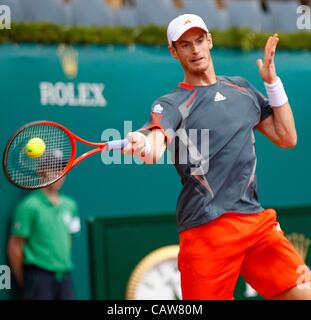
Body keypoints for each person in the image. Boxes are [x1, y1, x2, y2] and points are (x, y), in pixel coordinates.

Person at [123, 14, 311, 300]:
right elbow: (156, 146)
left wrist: (272, 84)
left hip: (255, 222)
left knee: (304, 292)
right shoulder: (171, 103)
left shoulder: (242, 89)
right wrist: (144, 143)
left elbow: (287, 137)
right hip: (207, 230)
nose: (195, 50)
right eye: (185, 45)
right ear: (174, 52)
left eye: (199, 41)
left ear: (209, 41)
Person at [7, 149, 80, 300]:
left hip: (64, 277)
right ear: (41, 171)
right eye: (53, 168)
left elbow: (70, 239)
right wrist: (27, 283)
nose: (59, 174)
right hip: (38, 278)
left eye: (62, 169)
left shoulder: (70, 205)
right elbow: (14, 248)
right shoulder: (28, 206)